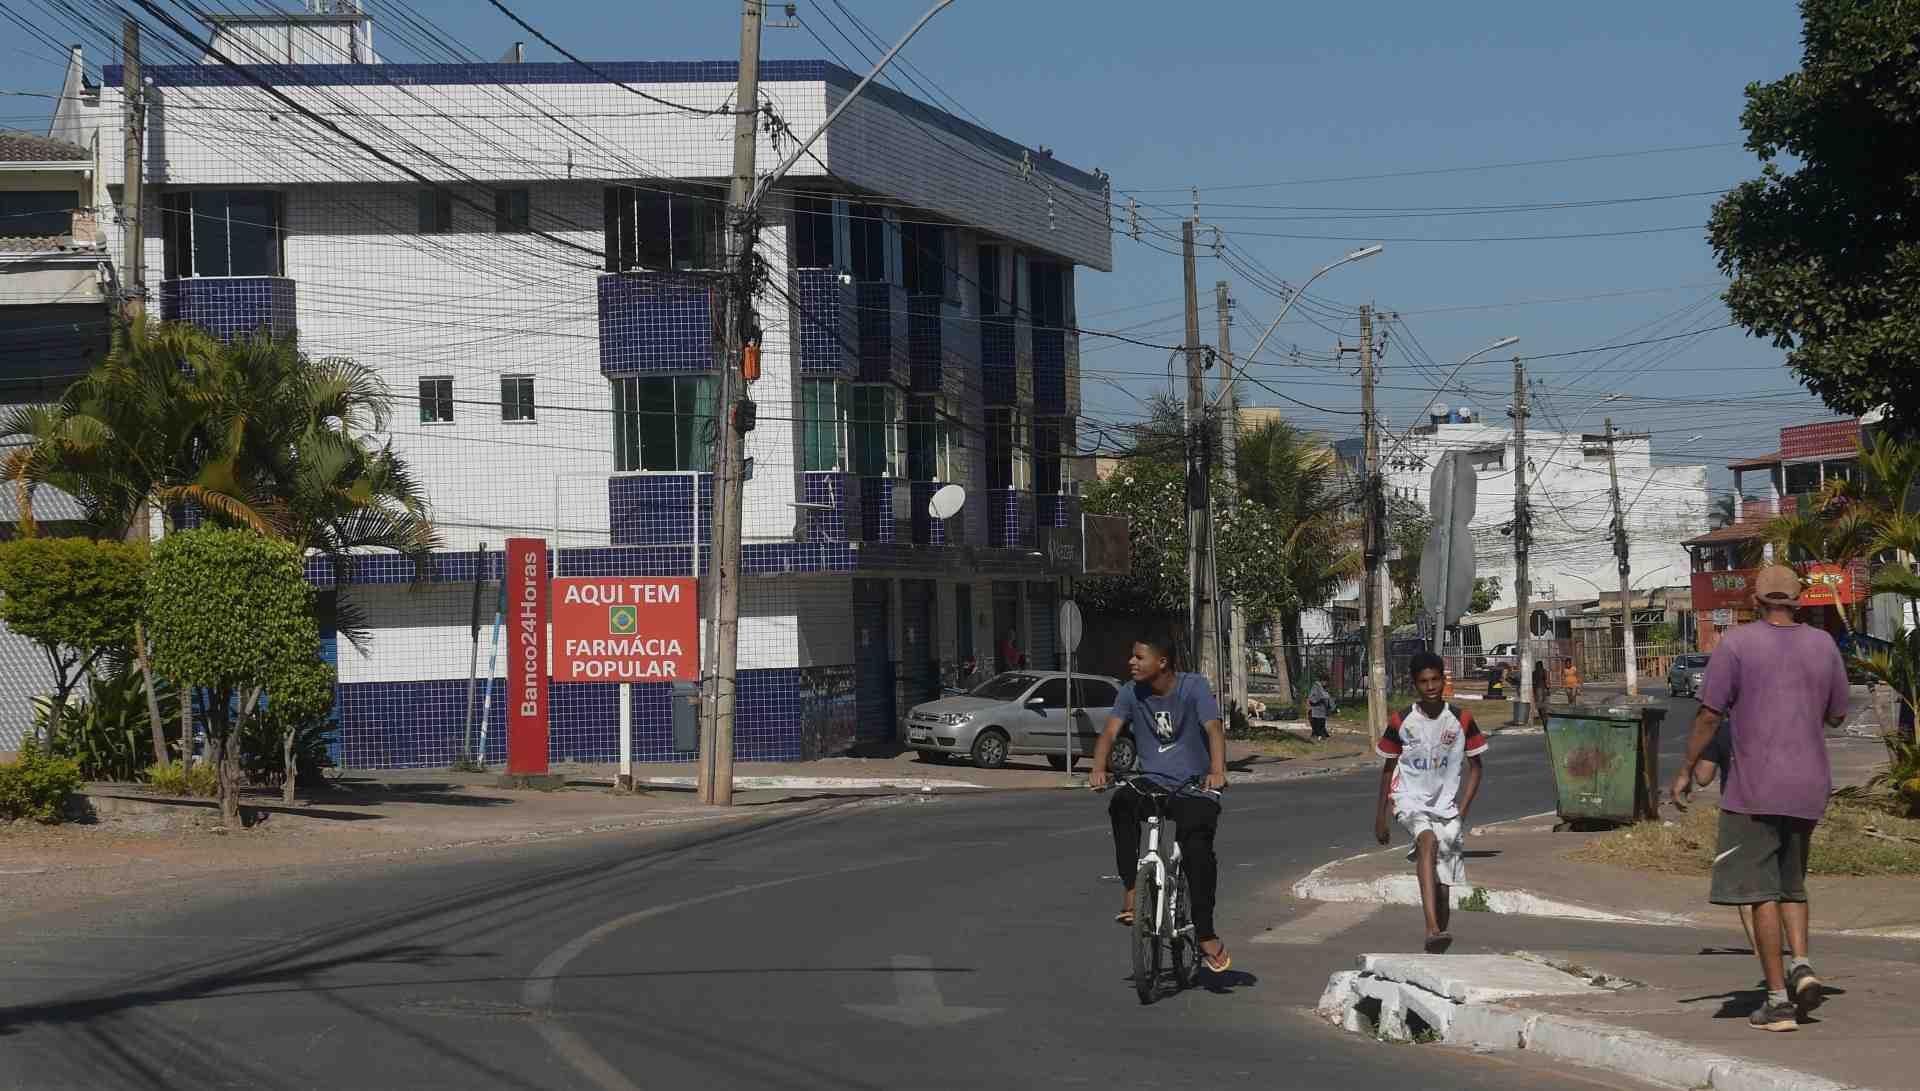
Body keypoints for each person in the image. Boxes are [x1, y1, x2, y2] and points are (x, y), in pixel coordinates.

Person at [1672, 565, 1848, 1032]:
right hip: (1809, 787)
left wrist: (1686, 770)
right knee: (1793, 885)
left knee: (1759, 894)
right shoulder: (1824, 645)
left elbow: (1710, 716)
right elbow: (1837, 715)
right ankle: (1802, 963)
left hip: (1754, 790)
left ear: (1755, 598)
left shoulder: (1737, 644)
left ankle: (1776, 1001)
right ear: (1797, 601)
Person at [1090, 638, 1232, 973]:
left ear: (1163, 662)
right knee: (1121, 805)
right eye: (1132, 656)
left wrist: (1217, 772)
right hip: (1152, 781)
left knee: (1198, 853)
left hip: (1194, 786)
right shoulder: (1129, 692)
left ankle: (1206, 933)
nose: (1131, 662)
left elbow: (1213, 729)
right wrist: (1098, 768)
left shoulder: (1193, 687)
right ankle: (1130, 889)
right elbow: (1109, 734)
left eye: (1139, 657)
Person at [1373, 650, 1488, 953]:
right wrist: (1381, 817)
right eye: (1424, 681)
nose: (1431, 686)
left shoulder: (1461, 719)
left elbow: (1476, 768)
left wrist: (1461, 811)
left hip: (1447, 808)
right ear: (1415, 684)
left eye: (1436, 679)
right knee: (1427, 841)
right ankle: (1430, 927)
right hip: (1408, 799)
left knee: (1442, 890)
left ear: (1443, 680)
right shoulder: (1401, 720)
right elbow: (1388, 768)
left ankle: (1439, 939)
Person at [1671, 722, 1799, 970]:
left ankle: (1758, 948)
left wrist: (1702, 749)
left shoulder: (1724, 730)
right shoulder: (1779, 722)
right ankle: (1797, 955)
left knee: (1747, 885)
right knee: (1785, 882)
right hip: (1787, 804)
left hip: (1742, 808)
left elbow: (1704, 777)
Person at [1533, 658, 1551, 725]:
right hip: (1542, 688)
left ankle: (1542, 716)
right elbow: (1546, 681)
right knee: (1543, 704)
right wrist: (1548, 689)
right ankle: (1544, 717)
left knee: (1539, 703)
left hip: (1538, 689)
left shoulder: (1534, 672)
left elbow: (1533, 682)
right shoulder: (1544, 671)